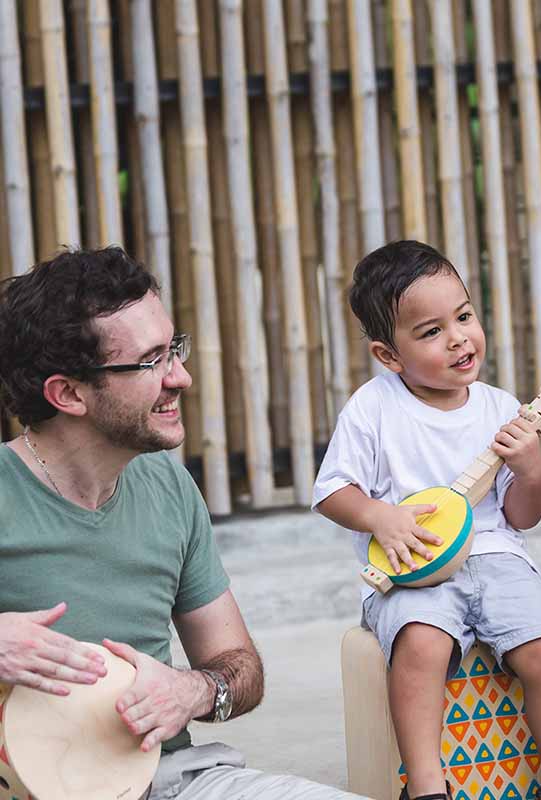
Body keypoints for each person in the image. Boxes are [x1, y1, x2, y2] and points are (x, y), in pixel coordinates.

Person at [0, 247, 367, 800]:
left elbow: (238, 668)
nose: (182, 377)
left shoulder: (169, 488)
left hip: (168, 781)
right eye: (152, 361)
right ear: (69, 393)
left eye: (174, 350)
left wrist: (189, 692)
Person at [313, 240, 541, 800]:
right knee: (422, 645)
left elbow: (523, 515)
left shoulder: (498, 406)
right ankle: (428, 786)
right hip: (412, 567)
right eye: (431, 331)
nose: (459, 337)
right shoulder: (374, 406)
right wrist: (378, 516)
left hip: (498, 557)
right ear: (389, 355)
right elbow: (332, 491)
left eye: (463, 316)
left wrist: (531, 470)